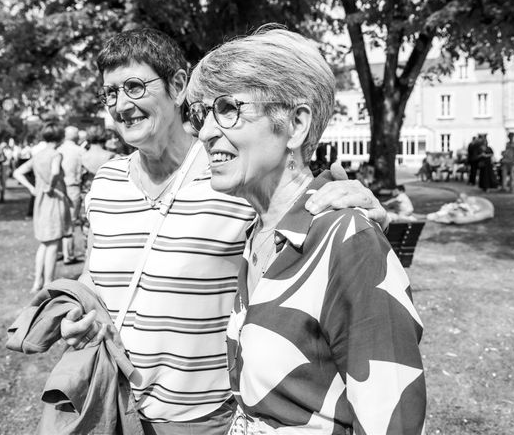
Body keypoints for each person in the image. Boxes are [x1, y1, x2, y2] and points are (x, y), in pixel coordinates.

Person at [59, 28, 390, 435]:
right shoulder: (106, 181)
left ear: (178, 86)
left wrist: (364, 209)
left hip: (203, 420)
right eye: (110, 93)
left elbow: (298, 211)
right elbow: (94, 275)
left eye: (133, 86)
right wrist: (81, 311)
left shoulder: (230, 174)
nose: (121, 104)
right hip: (116, 407)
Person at [187, 27, 425, 434]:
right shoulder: (260, 233)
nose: (205, 131)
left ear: (296, 125)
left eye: (227, 108)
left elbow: (394, 420)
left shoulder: (347, 238)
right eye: (201, 114)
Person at [13, 123, 73, 293]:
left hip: (40, 201)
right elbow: (55, 172)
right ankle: (48, 283)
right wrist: (51, 186)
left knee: (44, 244)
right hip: (53, 200)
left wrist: (32, 188)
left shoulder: (38, 155)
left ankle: (37, 282)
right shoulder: (56, 154)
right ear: (60, 137)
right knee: (53, 243)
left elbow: (17, 172)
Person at [58, 125, 85, 264]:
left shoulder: (59, 150)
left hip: (60, 187)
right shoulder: (79, 151)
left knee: (62, 220)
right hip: (73, 186)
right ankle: (68, 254)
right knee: (72, 220)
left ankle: (61, 251)